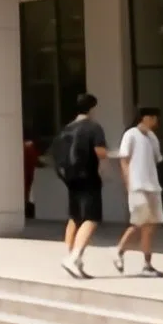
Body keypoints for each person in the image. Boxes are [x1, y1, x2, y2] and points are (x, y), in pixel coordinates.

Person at [53, 94, 106, 279]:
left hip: (70, 178)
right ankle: (74, 257)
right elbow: (100, 152)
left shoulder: (66, 129)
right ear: (92, 109)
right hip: (89, 176)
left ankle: (70, 257)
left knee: (74, 217)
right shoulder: (93, 127)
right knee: (91, 217)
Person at [114, 106, 163, 276]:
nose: (156, 122)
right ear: (144, 118)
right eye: (153, 118)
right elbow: (124, 160)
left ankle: (147, 264)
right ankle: (119, 251)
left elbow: (156, 159)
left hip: (153, 186)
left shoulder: (152, 137)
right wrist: (129, 183)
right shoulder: (131, 134)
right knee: (138, 223)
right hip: (138, 186)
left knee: (150, 226)